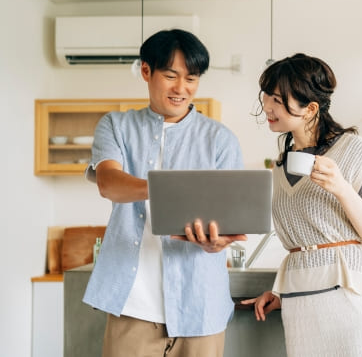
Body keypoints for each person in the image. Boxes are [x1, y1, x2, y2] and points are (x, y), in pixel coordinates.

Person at [83, 29, 246, 357]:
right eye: (171, 75)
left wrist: (217, 243)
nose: (181, 88)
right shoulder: (116, 126)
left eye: (192, 79)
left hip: (201, 305)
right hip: (132, 305)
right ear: (146, 71)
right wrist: (168, 190)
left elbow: (229, 218)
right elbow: (108, 183)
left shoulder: (220, 139)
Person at [242, 53, 362, 356]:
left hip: (354, 308)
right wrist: (281, 293)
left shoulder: (355, 151)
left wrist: (341, 188)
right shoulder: (281, 165)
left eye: (277, 99)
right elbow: (305, 243)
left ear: (311, 108)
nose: (267, 107)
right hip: (302, 311)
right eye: (267, 97)